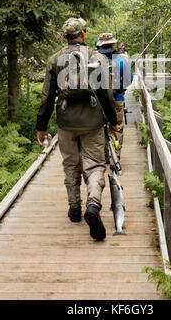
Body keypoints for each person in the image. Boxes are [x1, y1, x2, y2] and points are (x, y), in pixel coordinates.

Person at [36, 18, 119, 241]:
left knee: (70, 164)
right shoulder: (97, 57)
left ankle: (74, 208)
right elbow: (106, 94)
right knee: (95, 165)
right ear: (82, 34)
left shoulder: (55, 60)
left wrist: (41, 127)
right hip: (92, 122)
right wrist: (113, 120)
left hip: (66, 122)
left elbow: (46, 96)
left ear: (66, 36)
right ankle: (93, 204)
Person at [97, 32, 133, 159]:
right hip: (117, 98)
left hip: (99, 102)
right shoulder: (120, 59)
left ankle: (105, 154)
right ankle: (116, 155)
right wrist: (122, 89)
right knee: (116, 129)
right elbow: (129, 78)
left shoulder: (93, 58)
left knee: (102, 129)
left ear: (100, 44)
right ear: (112, 44)